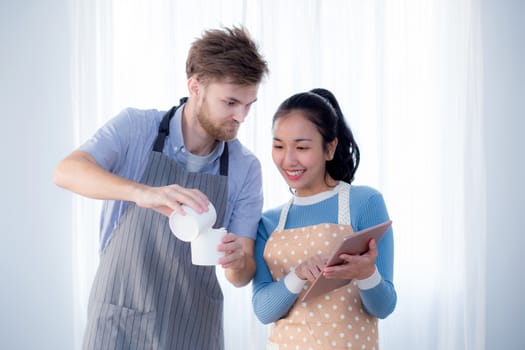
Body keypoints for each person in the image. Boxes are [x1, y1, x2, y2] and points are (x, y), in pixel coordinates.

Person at [54, 26, 268, 350]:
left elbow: (243, 273)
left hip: (195, 329)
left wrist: (238, 262)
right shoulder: (135, 128)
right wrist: (144, 193)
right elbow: (67, 171)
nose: (241, 116)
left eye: (249, 104)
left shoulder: (245, 167)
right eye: (230, 102)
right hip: (119, 320)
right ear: (195, 86)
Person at [252, 88, 397, 349]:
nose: (288, 159)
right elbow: (263, 311)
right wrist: (298, 275)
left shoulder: (365, 203)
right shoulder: (268, 222)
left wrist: (367, 274)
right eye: (278, 146)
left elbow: (384, 306)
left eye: (302, 147)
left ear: (330, 148)